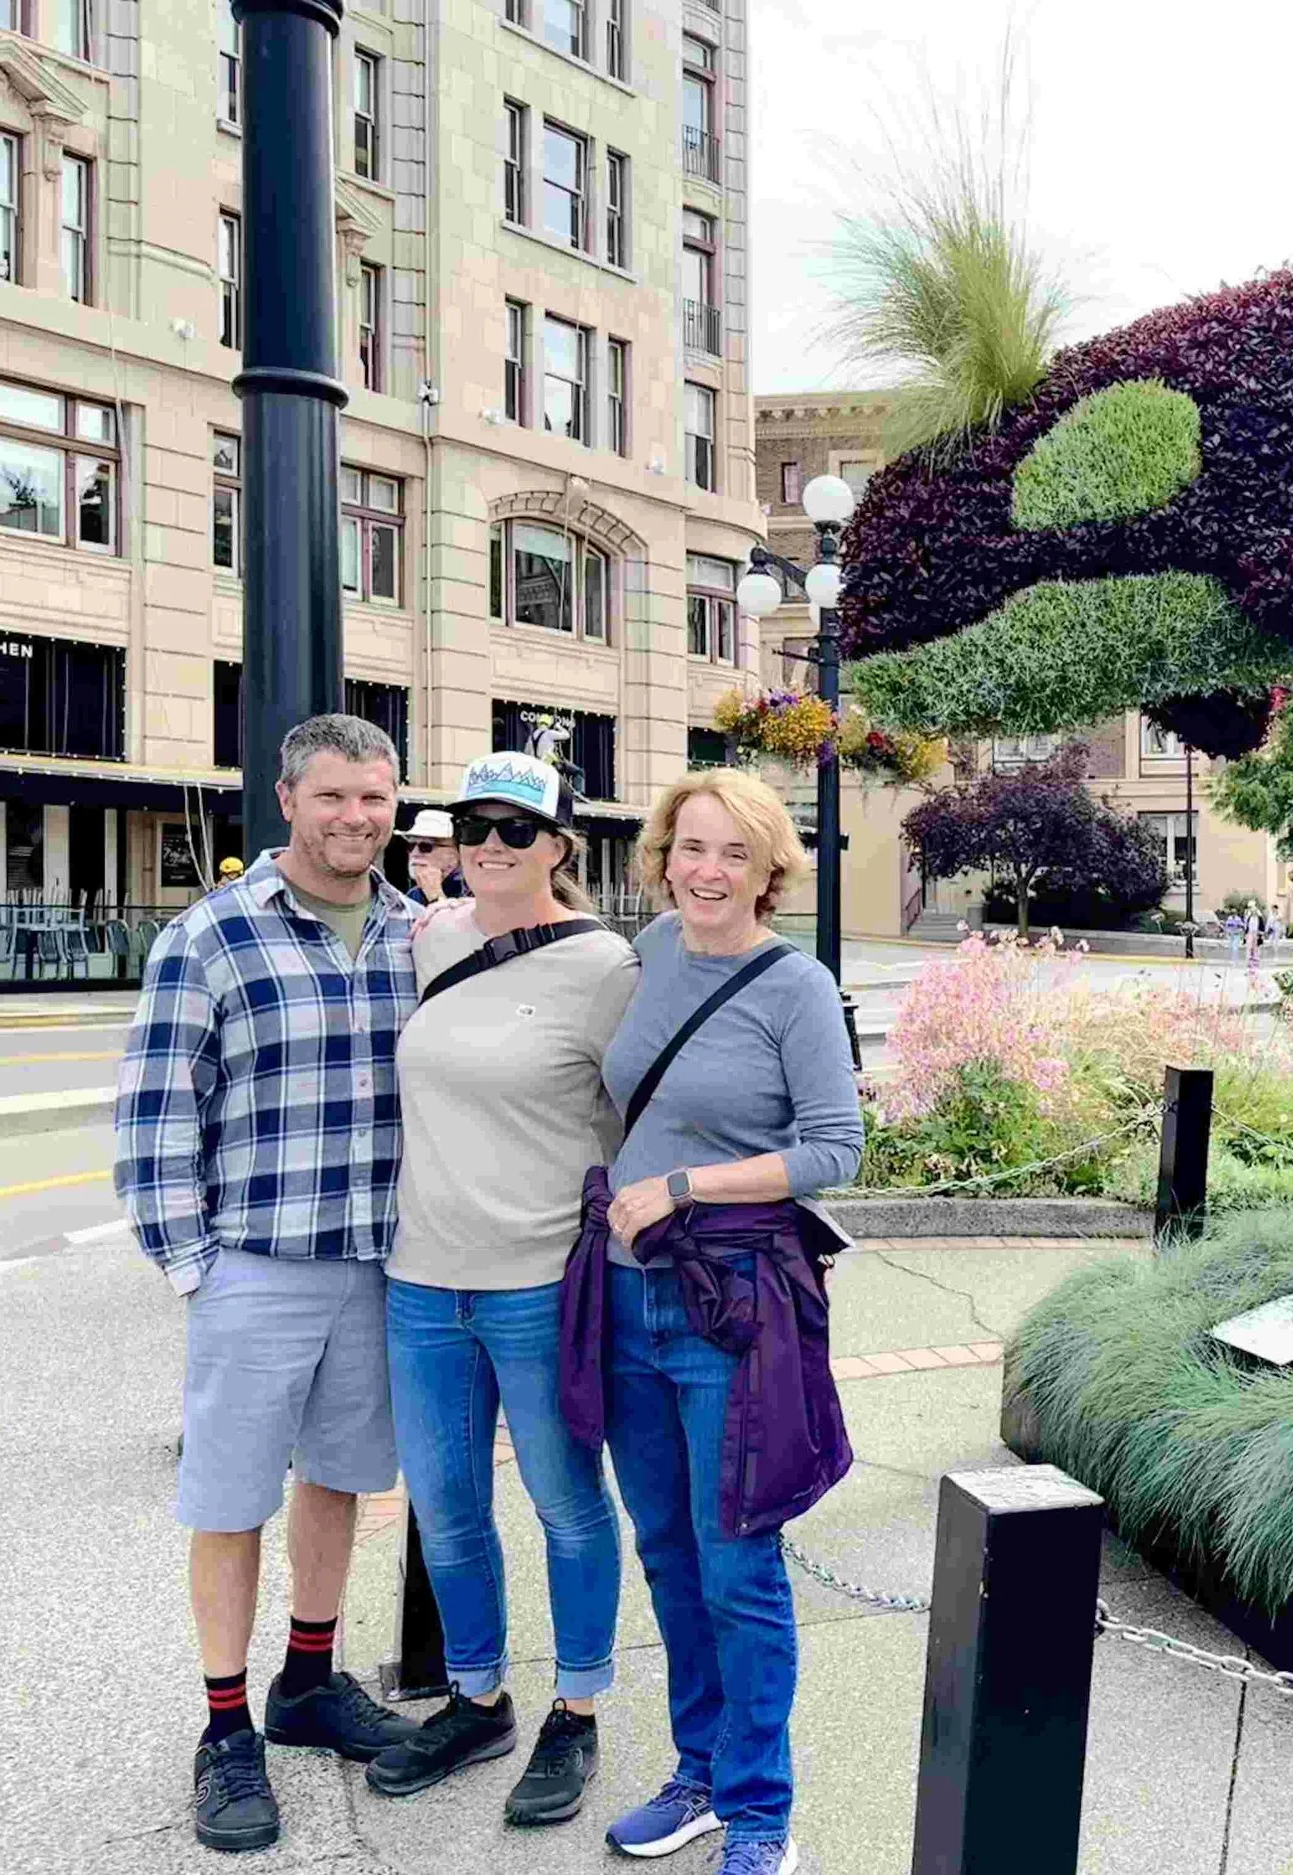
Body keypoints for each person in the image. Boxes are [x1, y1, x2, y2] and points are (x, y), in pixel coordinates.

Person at [116, 714, 424, 1856]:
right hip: (255, 1261)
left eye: (377, 797)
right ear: (288, 801)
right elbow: (155, 1118)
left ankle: (308, 1677)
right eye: (336, 797)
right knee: (229, 1497)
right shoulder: (213, 936)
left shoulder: (419, 935)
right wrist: (195, 1268)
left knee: (341, 1478)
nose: (358, 818)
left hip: (378, 1262)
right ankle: (225, 1725)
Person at [565, 768, 862, 1875]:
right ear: (661, 855)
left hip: (731, 1307)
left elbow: (837, 1150)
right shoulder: (640, 960)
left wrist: (688, 1187)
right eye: (692, 848)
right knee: (668, 1550)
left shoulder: (795, 987)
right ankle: (696, 1770)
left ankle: (758, 1810)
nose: (708, 871)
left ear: (769, 869)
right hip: (627, 1298)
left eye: (735, 854)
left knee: (739, 1563)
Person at [362, 752, 639, 1825]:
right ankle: (477, 1696)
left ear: (560, 847)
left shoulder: (607, 967)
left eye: (515, 830)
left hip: (537, 1287)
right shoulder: (432, 938)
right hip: (422, 1280)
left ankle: (577, 1708)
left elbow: (632, 1122)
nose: (489, 845)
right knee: (444, 1503)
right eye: (473, 825)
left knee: (567, 1503)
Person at [403, 808, 466, 904]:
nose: (414, 853)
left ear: (456, 853)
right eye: (411, 846)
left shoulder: (475, 891)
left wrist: (435, 897)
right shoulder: (413, 895)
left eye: (426, 846)